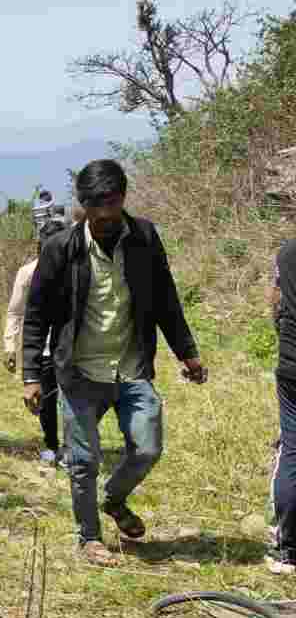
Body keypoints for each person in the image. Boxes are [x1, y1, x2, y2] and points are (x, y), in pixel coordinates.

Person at [22, 159, 206, 566]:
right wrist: (32, 375)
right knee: (83, 461)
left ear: (123, 200)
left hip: (131, 368)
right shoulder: (60, 249)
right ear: (83, 207)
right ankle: (89, 538)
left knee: (148, 448)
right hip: (79, 372)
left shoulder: (144, 237)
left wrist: (187, 353)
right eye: (96, 216)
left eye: (112, 214)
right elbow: (35, 315)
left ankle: (113, 498)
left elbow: (165, 299)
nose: (105, 224)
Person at [4, 218, 68, 465]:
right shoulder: (28, 273)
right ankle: (51, 444)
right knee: (48, 399)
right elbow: (15, 312)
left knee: (73, 398)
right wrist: (10, 346)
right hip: (42, 348)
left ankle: (71, 447)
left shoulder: (76, 269)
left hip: (71, 346)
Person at [267, 239, 296, 574]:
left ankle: (287, 549)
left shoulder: (288, 252)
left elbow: (275, 302)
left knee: (292, 450)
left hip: (292, 366)